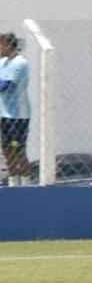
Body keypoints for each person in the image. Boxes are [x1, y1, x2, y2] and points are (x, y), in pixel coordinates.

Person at [0, 33, 32, 186]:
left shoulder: (20, 63)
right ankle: (13, 182)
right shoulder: (3, 62)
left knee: (18, 150)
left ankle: (26, 183)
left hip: (18, 116)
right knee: (7, 150)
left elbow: (5, 86)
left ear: (8, 45)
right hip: (4, 114)